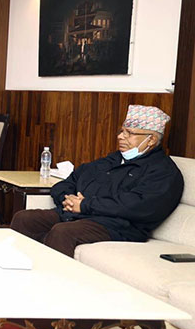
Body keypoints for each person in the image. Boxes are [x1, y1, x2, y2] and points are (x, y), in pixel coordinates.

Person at [10, 104, 183, 257]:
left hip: (117, 226)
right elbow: (70, 181)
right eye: (121, 131)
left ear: (151, 139)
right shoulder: (112, 160)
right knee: (25, 219)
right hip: (77, 214)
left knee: (63, 232)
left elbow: (135, 206)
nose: (120, 137)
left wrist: (85, 205)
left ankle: (55, 281)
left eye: (129, 133)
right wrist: (67, 199)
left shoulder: (163, 172)